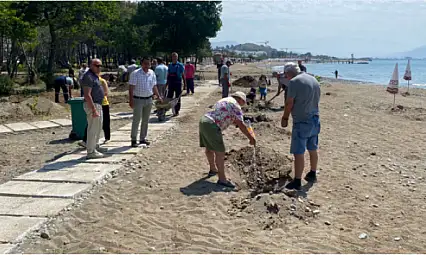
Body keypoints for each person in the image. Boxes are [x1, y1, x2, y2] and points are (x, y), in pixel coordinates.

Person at [199, 91, 256, 189]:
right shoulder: (236, 105)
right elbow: (241, 125)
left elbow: (227, 116)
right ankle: (222, 179)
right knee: (220, 153)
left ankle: (213, 169)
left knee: (209, 148)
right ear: (240, 99)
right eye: (243, 102)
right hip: (213, 124)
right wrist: (251, 138)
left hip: (204, 121)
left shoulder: (225, 100)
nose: (243, 105)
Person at [281, 62, 321, 190]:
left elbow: (289, 103)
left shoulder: (294, 82)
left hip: (302, 121)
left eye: (285, 75)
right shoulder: (313, 79)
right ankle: (313, 173)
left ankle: (297, 180)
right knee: (313, 148)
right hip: (315, 118)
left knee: (299, 152)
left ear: (288, 73)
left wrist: (285, 117)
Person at [129, 57, 163, 147]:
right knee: (136, 120)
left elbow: (154, 86)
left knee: (145, 120)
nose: (147, 66)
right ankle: (133, 139)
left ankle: (142, 138)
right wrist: (131, 100)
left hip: (148, 99)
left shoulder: (152, 73)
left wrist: (158, 96)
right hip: (138, 99)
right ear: (141, 64)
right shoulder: (135, 74)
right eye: (145, 63)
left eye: (148, 64)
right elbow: (131, 88)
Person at [81, 59, 107, 159]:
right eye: (97, 65)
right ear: (91, 65)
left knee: (98, 127)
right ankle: (91, 151)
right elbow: (87, 95)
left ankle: (95, 146)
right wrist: (94, 109)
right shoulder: (88, 77)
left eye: (100, 65)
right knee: (93, 128)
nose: (99, 67)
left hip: (98, 104)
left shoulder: (95, 76)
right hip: (93, 105)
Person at [79, 75, 111, 147]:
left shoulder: (102, 81)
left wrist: (97, 95)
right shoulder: (89, 81)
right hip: (94, 103)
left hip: (103, 103)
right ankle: (85, 140)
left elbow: (106, 92)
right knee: (91, 123)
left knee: (105, 122)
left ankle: (107, 137)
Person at [167, 52, 186, 117]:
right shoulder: (169, 65)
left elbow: (183, 75)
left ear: (177, 57)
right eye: (173, 57)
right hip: (171, 83)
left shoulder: (180, 65)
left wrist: (185, 84)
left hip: (178, 83)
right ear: (171, 57)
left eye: (175, 57)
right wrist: (167, 83)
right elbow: (168, 75)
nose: (174, 58)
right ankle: (167, 108)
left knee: (178, 97)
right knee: (169, 96)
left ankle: (177, 110)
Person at [154, 57, 168, 121]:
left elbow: (155, 76)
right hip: (165, 83)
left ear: (158, 61)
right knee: (164, 96)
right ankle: (164, 108)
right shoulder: (166, 67)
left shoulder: (157, 68)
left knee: (159, 97)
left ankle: (160, 110)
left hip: (159, 83)